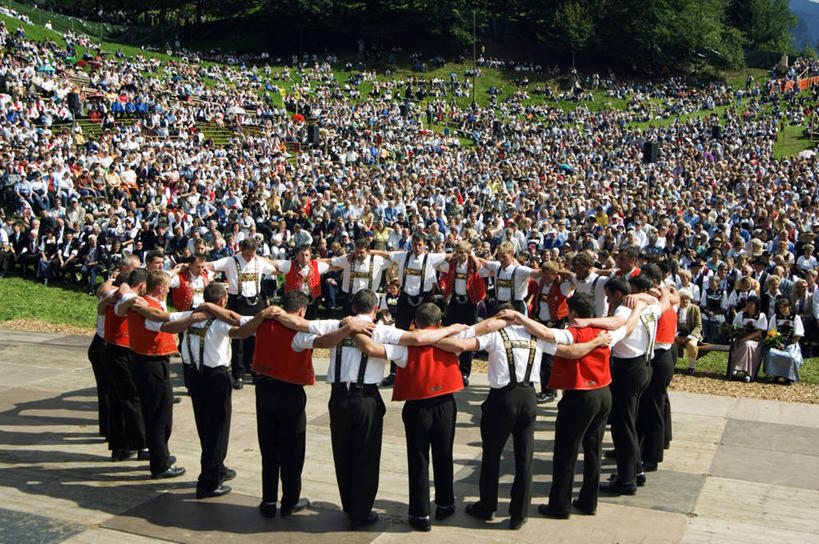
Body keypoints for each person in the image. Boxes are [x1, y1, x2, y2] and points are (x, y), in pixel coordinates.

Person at [273, 289, 467, 530]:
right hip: (367, 397)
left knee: (342, 453)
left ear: (353, 308)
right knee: (366, 455)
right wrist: (448, 329)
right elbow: (417, 339)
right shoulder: (381, 330)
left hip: (339, 396)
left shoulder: (335, 324)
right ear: (375, 309)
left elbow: (300, 323)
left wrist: (275, 313)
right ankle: (361, 512)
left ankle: (349, 504)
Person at [435, 303, 606, 530]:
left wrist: (431, 338)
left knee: (492, 454)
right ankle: (519, 513)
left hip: (502, 398)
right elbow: (572, 352)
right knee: (525, 458)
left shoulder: (496, 335)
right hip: (528, 397)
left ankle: (487, 506)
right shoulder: (536, 337)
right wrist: (595, 342)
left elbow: (462, 345)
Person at [352, 303, 503, 531]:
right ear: (439, 322)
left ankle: (420, 513)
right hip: (444, 403)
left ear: (415, 323)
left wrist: (352, 329)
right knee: (444, 454)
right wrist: (510, 318)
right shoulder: (452, 338)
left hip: (417, 407)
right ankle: (445, 504)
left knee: (418, 459)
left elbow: (373, 350)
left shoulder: (405, 344)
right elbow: (486, 325)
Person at [498, 295, 641, 519]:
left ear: (573, 313)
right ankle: (588, 501)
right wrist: (639, 308)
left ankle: (559, 504)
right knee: (593, 450)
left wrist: (519, 317)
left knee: (566, 452)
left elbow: (545, 333)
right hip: (604, 392)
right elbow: (629, 327)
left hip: (580, 396)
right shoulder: (605, 334)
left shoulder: (571, 333)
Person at [238, 291, 375, 518]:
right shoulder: (298, 333)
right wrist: (348, 328)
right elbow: (323, 340)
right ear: (301, 311)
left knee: (269, 448)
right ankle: (290, 501)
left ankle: (269, 501)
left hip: (263, 390)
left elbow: (236, 322)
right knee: (292, 450)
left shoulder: (261, 324)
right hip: (289, 393)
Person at [571, 276, 670, 495]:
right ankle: (634, 470)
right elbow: (667, 300)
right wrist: (648, 295)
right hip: (644, 365)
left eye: (609, 297)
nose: (607, 302)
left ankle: (626, 480)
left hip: (628, 369)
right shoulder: (648, 306)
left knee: (622, 426)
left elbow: (616, 326)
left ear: (618, 294)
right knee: (630, 423)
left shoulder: (625, 310)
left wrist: (588, 322)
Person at [166, 282, 247, 499]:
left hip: (194, 375)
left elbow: (166, 324)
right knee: (218, 430)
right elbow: (242, 328)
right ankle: (208, 483)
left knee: (205, 425)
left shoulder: (189, 319)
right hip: (215, 378)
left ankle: (217, 466)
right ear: (222, 301)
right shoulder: (219, 323)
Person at [115, 270, 190, 478]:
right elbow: (167, 325)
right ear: (160, 288)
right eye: (167, 287)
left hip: (148, 362)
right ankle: (160, 463)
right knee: (159, 415)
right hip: (152, 363)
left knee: (156, 412)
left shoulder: (139, 303)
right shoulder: (146, 308)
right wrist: (191, 318)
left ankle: (161, 454)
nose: (168, 290)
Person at [205, 238, 277, 389]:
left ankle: (255, 370)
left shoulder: (259, 261)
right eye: (247, 254)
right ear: (241, 250)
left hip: (256, 302)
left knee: (257, 338)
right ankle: (238, 374)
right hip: (238, 302)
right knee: (239, 339)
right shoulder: (230, 261)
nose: (250, 257)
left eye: (252, 254)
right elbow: (210, 266)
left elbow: (277, 268)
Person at [439, 241, 486, 386]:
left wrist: (472, 255)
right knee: (448, 333)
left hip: (469, 302)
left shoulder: (472, 265)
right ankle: (447, 367)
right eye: (457, 252)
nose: (459, 255)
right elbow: (438, 262)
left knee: (468, 335)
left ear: (468, 253)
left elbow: (479, 266)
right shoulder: (453, 264)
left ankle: (464, 372)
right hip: (455, 301)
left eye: (463, 253)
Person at [529, 261, 574, 403]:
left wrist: (560, 273)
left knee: (548, 359)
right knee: (541, 357)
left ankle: (549, 391)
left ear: (555, 274)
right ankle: (546, 390)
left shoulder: (563, 287)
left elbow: (575, 278)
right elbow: (531, 271)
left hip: (555, 324)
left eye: (548, 273)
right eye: (544, 272)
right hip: (541, 323)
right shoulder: (541, 282)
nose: (545, 276)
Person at [479, 241, 548, 314]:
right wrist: (471, 255)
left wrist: (549, 268)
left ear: (512, 255)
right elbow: (483, 262)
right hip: (500, 305)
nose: (501, 260)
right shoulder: (497, 266)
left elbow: (536, 273)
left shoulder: (519, 270)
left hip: (516, 307)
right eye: (499, 256)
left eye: (504, 257)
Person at [330, 238, 390, 315]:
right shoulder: (348, 258)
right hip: (351, 299)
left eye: (361, 252)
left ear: (368, 252)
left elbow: (394, 256)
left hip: (369, 300)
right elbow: (330, 262)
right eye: (356, 252)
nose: (358, 255)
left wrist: (373, 251)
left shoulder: (377, 260)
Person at [275, 245, 331, 319]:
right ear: (297, 256)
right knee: (292, 322)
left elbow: (332, 263)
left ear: (310, 256)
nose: (304, 257)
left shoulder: (317, 265)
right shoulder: (288, 265)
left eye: (306, 255)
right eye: (302, 255)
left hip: (312, 298)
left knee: (310, 321)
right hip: (294, 299)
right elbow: (273, 263)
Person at [763, 297, 804, 384]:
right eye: (781, 307)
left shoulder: (796, 318)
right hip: (777, 342)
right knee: (772, 353)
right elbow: (771, 332)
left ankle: (788, 376)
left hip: (791, 343)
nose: (782, 309)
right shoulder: (775, 317)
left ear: (789, 307)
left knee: (790, 356)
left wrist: (786, 344)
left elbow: (798, 336)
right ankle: (776, 375)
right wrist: (776, 343)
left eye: (784, 307)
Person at [729, 295, 767, 382]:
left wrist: (747, 338)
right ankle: (744, 371)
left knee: (748, 345)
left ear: (756, 305)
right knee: (744, 345)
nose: (749, 305)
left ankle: (741, 370)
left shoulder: (761, 316)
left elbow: (759, 332)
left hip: (755, 341)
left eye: (752, 304)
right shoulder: (741, 314)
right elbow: (736, 327)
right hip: (741, 339)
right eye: (748, 303)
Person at [676, 289, 702, 375]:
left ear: (690, 299)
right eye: (682, 298)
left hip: (691, 333)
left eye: (687, 298)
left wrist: (689, 337)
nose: (684, 301)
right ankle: (671, 365)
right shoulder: (676, 308)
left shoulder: (695, 308)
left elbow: (698, 326)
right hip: (678, 333)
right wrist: (676, 335)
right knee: (670, 345)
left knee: (692, 345)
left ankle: (691, 367)